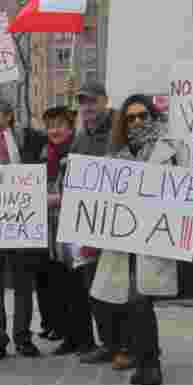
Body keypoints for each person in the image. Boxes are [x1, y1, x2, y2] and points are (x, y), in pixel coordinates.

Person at [89, 95, 191, 385]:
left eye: (142, 115)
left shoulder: (172, 149)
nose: (136, 122)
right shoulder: (115, 155)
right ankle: (143, 357)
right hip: (124, 242)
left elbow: (186, 185)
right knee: (128, 301)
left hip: (154, 238)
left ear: (153, 116)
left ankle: (150, 364)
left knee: (140, 300)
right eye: (130, 117)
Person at [0, 97, 46, 361]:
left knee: (22, 282)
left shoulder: (27, 138)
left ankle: (23, 337)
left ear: (8, 116)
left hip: (22, 218)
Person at [58, 82, 113, 357]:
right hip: (86, 223)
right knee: (93, 286)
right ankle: (108, 343)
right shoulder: (80, 136)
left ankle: (126, 343)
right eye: (83, 103)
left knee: (116, 286)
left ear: (105, 101)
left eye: (92, 102)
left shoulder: (118, 131)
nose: (88, 108)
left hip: (116, 223)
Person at [35, 106, 76, 342]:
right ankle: (61, 329)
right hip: (48, 228)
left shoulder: (76, 151)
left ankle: (78, 334)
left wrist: (58, 199)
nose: (54, 130)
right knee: (55, 281)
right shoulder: (44, 152)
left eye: (60, 125)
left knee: (72, 283)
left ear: (70, 127)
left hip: (70, 225)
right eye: (50, 126)